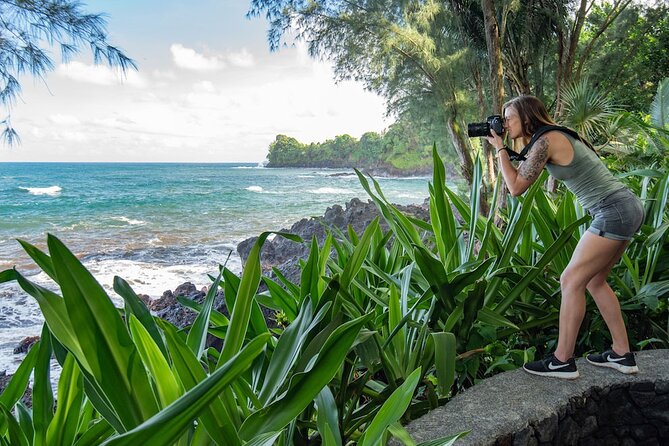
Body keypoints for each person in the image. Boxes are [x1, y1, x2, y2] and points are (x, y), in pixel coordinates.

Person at [486, 95, 643, 379]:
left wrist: (499, 149)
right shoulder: (548, 139)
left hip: (612, 209)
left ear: (526, 117)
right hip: (623, 207)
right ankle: (622, 353)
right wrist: (506, 149)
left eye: (509, 118)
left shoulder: (548, 140)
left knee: (570, 280)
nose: (505, 123)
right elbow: (520, 173)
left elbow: (516, 187)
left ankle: (562, 360)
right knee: (594, 281)